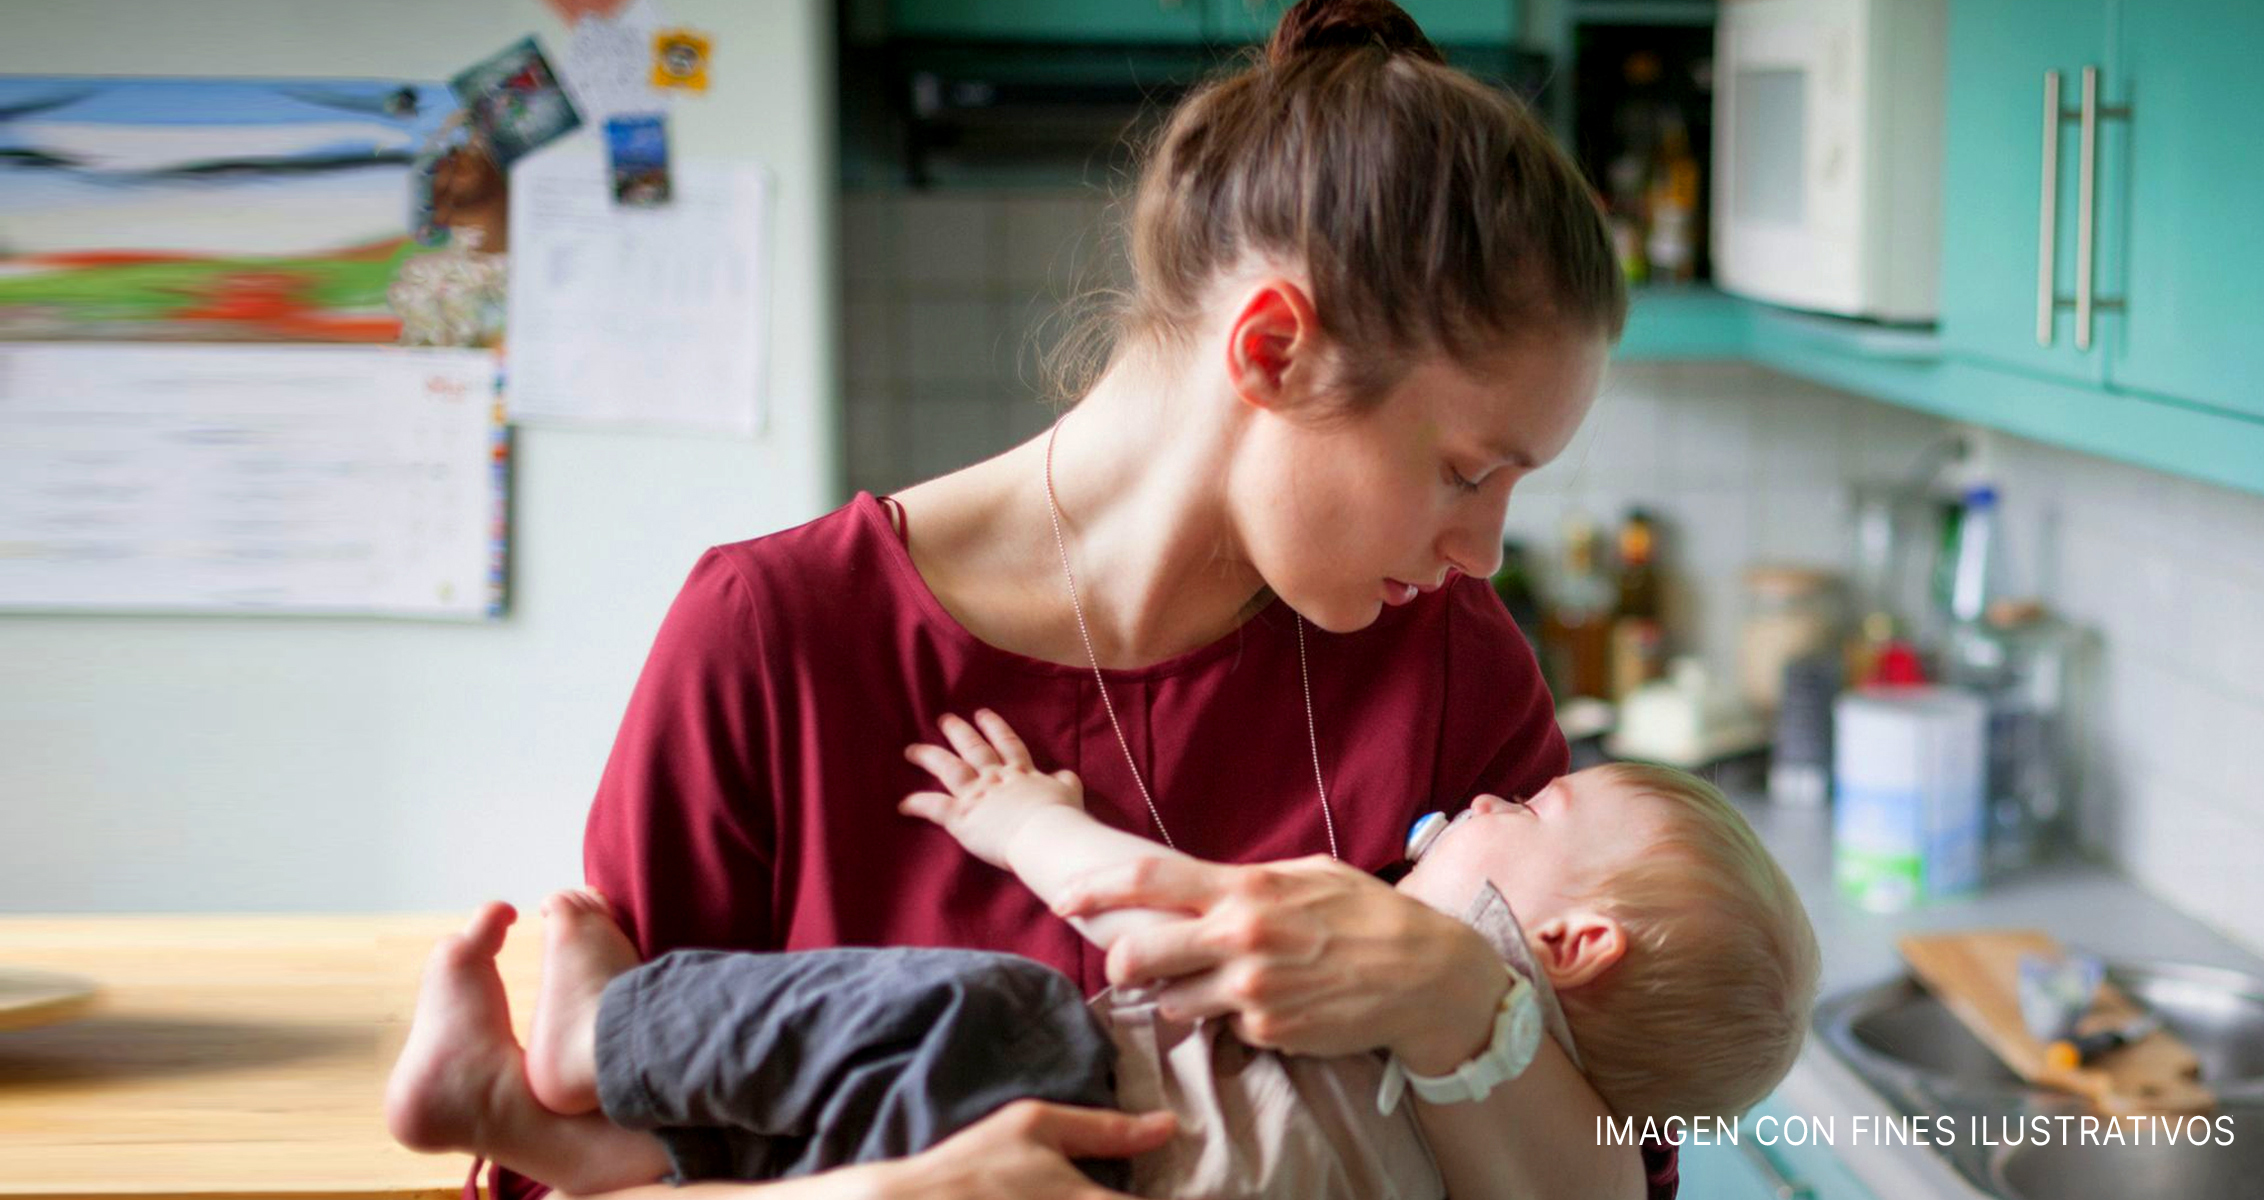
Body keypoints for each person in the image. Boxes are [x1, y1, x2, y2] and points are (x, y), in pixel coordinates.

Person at [470, 0, 1678, 1195]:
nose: (1483, 551)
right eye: (1467, 471)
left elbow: (1628, 1170)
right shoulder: (776, 638)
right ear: (1272, 351)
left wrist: (1461, 999)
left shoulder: (1450, 661)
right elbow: (571, 1154)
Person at [386, 711, 1817, 1198]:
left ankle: (599, 1042)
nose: (1502, 791)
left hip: (1097, 1123)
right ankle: (534, 1130)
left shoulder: (1418, 948)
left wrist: (1024, 825)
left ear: (1570, 943)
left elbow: (1151, 909)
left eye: (1536, 809)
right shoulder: (1519, 1133)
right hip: (1099, 1169)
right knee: (810, 1150)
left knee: (969, 1005)